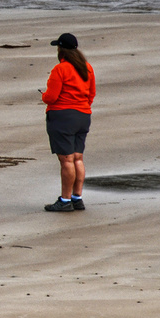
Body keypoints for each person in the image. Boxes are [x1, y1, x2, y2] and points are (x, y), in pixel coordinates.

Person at [40, 32, 95, 211]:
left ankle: (65, 201)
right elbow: (91, 93)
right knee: (78, 158)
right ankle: (76, 197)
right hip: (83, 115)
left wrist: (44, 96)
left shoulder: (60, 69)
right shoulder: (87, 67)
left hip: (63, 117)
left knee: (66, 161)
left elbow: (51, 97)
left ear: (61, 49)